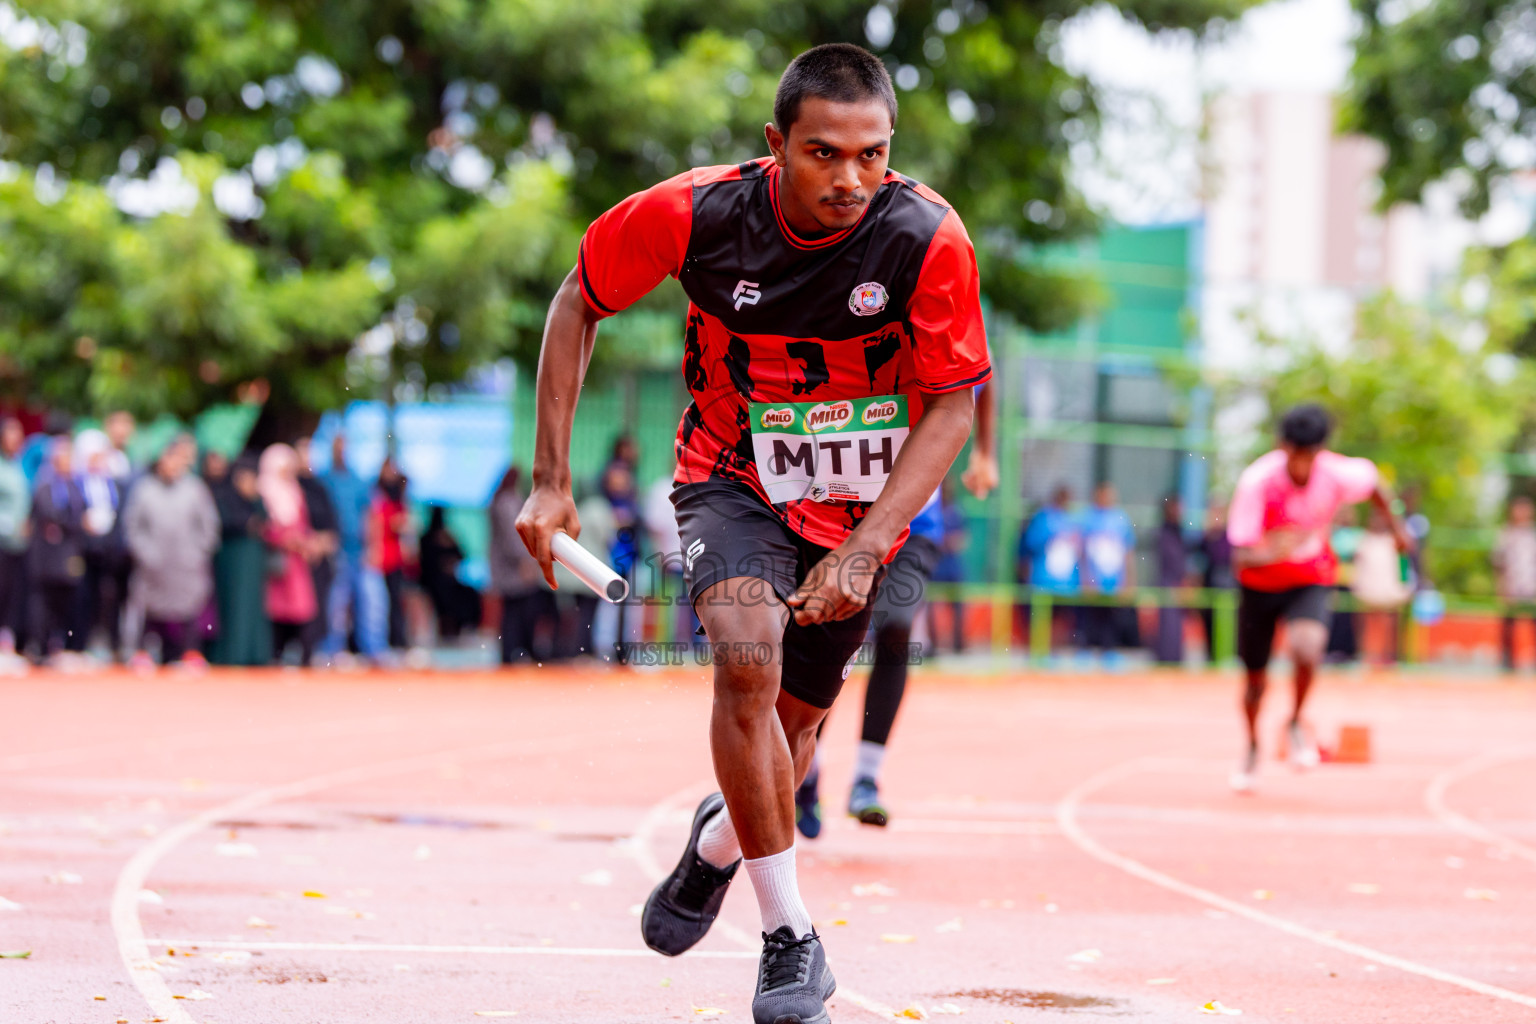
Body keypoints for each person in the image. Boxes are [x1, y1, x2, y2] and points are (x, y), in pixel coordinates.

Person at [515, 43, 988, 1023]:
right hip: (731, 476)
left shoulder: (928, 238)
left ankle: (716, 847)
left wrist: (867, 547)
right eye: (824, 154)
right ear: (777, 145)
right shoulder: (695, 214)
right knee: (744, 663)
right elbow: (578, 299)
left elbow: (951, 406)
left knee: (794, 734)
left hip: (862, 508)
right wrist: (551, 479)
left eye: (872, 155)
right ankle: (790, 938)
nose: (850, 179)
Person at [796, 381, 995, 835]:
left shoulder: (945, 326)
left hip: (915, 523)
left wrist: (986, 451)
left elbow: (986, 370)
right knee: (829, 634)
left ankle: (867, 776)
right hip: (840, 511)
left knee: (897, 628)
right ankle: (807, 770)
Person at [1225, 404, 1411, 793]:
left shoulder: (1335, 472)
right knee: (1255, 682)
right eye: (1296, 455)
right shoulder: (1256, 482)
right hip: (1259, 584)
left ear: (1321, 450)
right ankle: (1252, 746)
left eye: (1311, 455)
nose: (1303, 465)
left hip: (1309, 578)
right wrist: (1271, 552)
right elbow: (1239, 555)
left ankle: (1294, 721)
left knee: (1308, 647)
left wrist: (1397, 528)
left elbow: (1375, 485)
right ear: (1283, 447)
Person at [123, 435, 220, 667]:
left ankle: (188, 653)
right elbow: (133, 526)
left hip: (187, 564)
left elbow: (209, 525)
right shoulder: (145, 489)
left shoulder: (195, 489)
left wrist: (197, 552)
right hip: (153, 564)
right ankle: (142, 653)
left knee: (189, 609)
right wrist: (145, 553)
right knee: (148, 608)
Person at [320, 434, 386, 663]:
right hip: (337, 550)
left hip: (360, 549)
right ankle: (332, 650)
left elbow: (371, 515)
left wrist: (373, 547)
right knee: (335, 603)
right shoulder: (325, 480)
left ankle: (374, 650)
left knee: (372, 603)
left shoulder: (359, 481)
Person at [27, 433, 86, 666]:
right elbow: (48, 515)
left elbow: (76, 518)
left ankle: (58, 645)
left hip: (67, 555)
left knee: (65, 600)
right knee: (42, 603)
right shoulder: (44, 484)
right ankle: (38, 646)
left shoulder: (73, 486)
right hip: (45, 556)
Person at [209, 455, 272, 666]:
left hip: (253, 560)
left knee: (253, 607)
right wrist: (246, 523)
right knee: (233, 607)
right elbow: (224, 523)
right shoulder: (223, 495)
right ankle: (231, 654)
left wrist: (253, 500)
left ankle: (253, 654)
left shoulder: (257, 498)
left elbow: (264, 521)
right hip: (231, 560)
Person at [259, 444, 319, 665]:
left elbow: (303, 523)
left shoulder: (296, 491)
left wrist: (307, 541)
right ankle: (275, 655)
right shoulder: (264, 490)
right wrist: (284, 539)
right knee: (277, 611)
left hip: (297, 561)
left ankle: (303, 657)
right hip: (276, 562)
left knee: (301, 610)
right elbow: (263, 526)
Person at [72, 429, 130, 659]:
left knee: (110, 600)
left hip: (108, 552)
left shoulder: (112, 483)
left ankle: (110, 646)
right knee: (82, 599)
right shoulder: (76, 482)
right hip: (83, 551)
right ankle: (77, 645)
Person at [488, 467, 553, 664]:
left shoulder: (500, 500)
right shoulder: (508, 502)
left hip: (506, 567)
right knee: (516, 613)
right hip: (513, 569)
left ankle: (511, 652)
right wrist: (525, 560)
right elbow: (513, 537)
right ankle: (512, 652)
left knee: (512, 611)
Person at [1019, 485, 1082, 653]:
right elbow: (1031, 543)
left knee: (1062, 620)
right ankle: (1039, 651)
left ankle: (1055, 652)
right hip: (1044, 579)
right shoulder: (1044, 518)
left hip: (1066, 581)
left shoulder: (1072, 520)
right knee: (1041, 618)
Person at [1078, 481, 1137, 658]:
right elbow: (1082, 552)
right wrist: (1085, 578)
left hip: (1114, 581)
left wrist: (1129, 581)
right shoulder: (1087, 518)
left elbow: (1128, 552)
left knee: (1112, 618)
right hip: (1093, 580)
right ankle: (1086, 651)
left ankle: (1109, 652)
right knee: (1089, 618)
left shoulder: (1121, 518)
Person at [294, 437, 339, 657]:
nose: (307, 458)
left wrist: (321, 543)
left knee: (321, 608)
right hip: (295, 559)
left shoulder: (319, 487)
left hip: (318, 558)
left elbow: (332, 525)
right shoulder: (290, 487)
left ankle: (315, 652)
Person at [419, 506, 483, 641]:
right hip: (432, 582)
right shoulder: (426, 538)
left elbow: (462, 555)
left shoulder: (448, 536)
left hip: (451, 581)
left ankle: (463, 626)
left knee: (468, 594)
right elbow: (424, 563)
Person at [0, 418, 31, 666]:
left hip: (17, 544)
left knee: (13, 595)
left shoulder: (19, 465)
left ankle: (7, 644)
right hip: (2, 540)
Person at [928, 479, 972, 655]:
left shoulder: (956, 512)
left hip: (953, 567)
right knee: (931, 607)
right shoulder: (933, 511)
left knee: (958, 606)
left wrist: (948, 542)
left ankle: (958, 643)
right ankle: (933, 646)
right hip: (935, 566)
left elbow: (962, 539)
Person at [1492, 496, 1536, 671]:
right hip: (1512, 585)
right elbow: (1498, 563)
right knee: (1509, 623)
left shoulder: (1533, 535)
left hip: (1532, 585)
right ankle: (1508, 662)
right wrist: (1500, 586)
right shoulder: (1505, 534)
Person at [373, 456, 412, 650]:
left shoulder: (398, 495)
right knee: (380, 603)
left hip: (395, 557)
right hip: (381, 556)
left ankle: (397, 640)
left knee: (395, 601)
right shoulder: (378, 494)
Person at [1153, 493, 1190, 665]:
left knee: (1175, 629)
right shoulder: (1163, 534)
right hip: (1167, 583)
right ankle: (1166, 661)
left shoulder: (1180, 532)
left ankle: (1174, 661)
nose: (1179, 511)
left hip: (1177, 584)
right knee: (1167, 627)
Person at [1197, 501, 1235, 662]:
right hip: (1210, 587)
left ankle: (1229, 656)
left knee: (1229, 624)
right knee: (1210, 625)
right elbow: (1199, 560)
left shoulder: (1232, 535)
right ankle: (1212, 657)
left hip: (1229, 588)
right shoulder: (1206, 538)